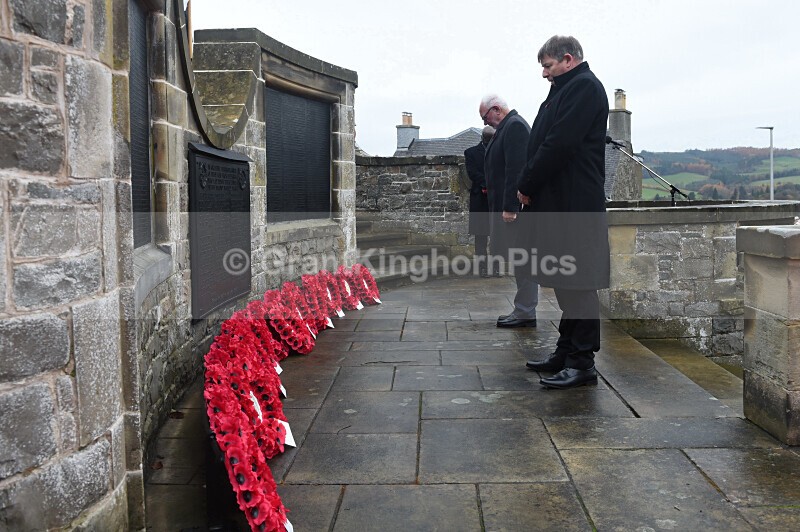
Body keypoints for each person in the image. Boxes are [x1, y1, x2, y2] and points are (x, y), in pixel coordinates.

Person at [517, 35, 610, 388]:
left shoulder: (584, 88)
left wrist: (527, 182)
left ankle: (583, 362)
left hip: (575, 205)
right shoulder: (565, 88)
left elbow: (559, 144)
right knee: (563, 280)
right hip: (559, 204)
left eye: (547, 65)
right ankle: (566, 350)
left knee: (579, 282)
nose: (544, 73)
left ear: (568, 59)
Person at [478, 94, 538, 328]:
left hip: (516, 210)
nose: (485, 123)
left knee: (524, 260)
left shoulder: (515, 127)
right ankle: (523, 309)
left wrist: (511, 208)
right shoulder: (509, 126)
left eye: (485, 117)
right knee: (519, 260)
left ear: (496, 109)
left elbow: (516, 170)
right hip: (508, 207)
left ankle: (525, 311)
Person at [463, 126, 494, 277]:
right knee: (481, 236)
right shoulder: (471, 153)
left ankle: (495, 268)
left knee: (496, 235)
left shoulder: (498, 151)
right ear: (483, 137)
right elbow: (472, 173)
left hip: (495, 198)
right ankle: (482, 268)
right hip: (479, 198)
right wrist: (486, 184)